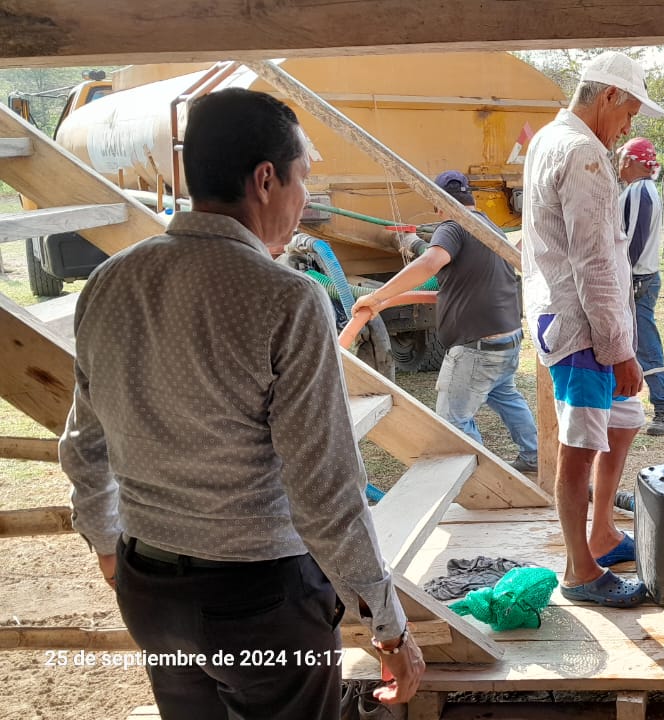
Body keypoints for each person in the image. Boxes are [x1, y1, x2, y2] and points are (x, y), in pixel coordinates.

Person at [59, 88, 425, 719]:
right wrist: (388, 625)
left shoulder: (109, 280)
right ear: (265, 179)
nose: (305, 198)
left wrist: (105, 542)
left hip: (150, 590)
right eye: (302, 178)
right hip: (259, 601)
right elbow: (326, 488)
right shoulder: (286, 298)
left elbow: (84, 444)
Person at [521, 51, 664, 607]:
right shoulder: (582, 152)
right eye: (628, 112)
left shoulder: (551, 139)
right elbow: (594, 261)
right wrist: (619, 349)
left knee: (623, 419)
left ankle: (602, 532)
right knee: (580, 445)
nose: (628, 127)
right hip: (583, 328)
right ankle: (579, 570)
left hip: (581, 319)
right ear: (608, 96)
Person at [352, 170, 539, 473]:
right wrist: (416, 245)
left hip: (478, 347)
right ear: (470, 197)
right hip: (508, 338)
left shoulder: (453, 226)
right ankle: (534, 456)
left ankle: (484, 479)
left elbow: (430, 262)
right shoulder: (488, 225)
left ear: (438, 204)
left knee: (452, 422)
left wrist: (377, 297)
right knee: (507, 397)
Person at [617, 137, 664, 436]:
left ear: (629, 160)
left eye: (620, 159)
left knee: (646, 347)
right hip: (638, 279)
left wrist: (625, 280)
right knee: (630, 344)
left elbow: (633, 242)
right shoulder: (640, 189)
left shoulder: (640, 190)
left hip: (638, 281)